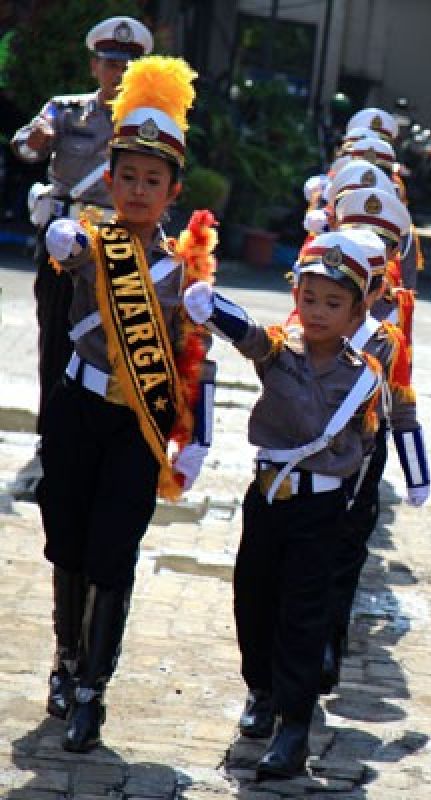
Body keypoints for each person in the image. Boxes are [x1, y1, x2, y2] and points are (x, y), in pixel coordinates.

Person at [36, 55, 214, 753]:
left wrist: (198, 436)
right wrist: (60, 241)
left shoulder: (185, 270)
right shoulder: (90, 237)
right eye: (128, 178)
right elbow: (65, 254)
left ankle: (92, 689)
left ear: (172, 191)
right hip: (78, 413)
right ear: (110, 182)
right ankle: (64, 658)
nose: (139, 191)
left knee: (115, 551)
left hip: (137, 426)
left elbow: (197, 359)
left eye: (153, 181)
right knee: (68, 540)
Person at [183, 232, 383, 779]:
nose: (318, 312)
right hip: (267, 499)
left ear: (356, 313)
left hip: (319, 510)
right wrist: (212, 309)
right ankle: (262, 689)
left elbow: (366, 451)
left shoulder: (364, 375)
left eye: (333, 303)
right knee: (253, 600)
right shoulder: (280, 349)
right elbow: (247, 336)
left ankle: (294, 726)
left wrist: (350, 516)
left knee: (303, 612)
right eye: (310, 299)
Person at [12, 15, 154, 431]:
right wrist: (35, 139)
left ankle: (93, 432)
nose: (117, 73)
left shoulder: (149, 124)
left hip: (118, 245)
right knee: (55, 336)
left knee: (111, 343)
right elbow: (24, 146)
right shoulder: (64, 109)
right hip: (63, 240)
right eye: (109, 63)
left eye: (127, 66)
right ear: (95, 66)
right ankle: (49, 435)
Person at [319, 192, 431, 694]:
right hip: (310, 440)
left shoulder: (391, 321)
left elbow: (399, 393)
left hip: (365, 441)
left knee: (346, 545)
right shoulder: (316, 303)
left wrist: (417, 469)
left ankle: (329, 639)